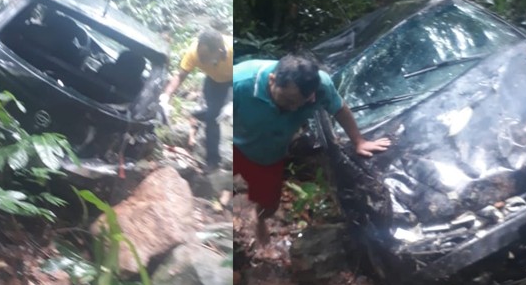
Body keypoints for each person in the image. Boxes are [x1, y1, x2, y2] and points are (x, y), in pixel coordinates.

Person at [233, 54, 391, 244]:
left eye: (302, 102)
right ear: (272, 79)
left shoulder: (321, 86)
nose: (293, 108)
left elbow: (339, 108)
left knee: (269, 203)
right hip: (236, 145)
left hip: (270, 154)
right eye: (288, 100)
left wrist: (359, 141)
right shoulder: (239, 82)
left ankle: (259, 220)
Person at [160, 28, 233, 172]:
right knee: (214, 118)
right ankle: (213, 160)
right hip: (213, 81)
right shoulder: (194, 53)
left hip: (234, 81)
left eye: (205, 57)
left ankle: (199, 115)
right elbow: (180, 76)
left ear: (219, 51)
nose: (201, 60)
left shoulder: (233, 51)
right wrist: (165, 96)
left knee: (222, 113)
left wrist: (232, 103)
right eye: (200, 55)